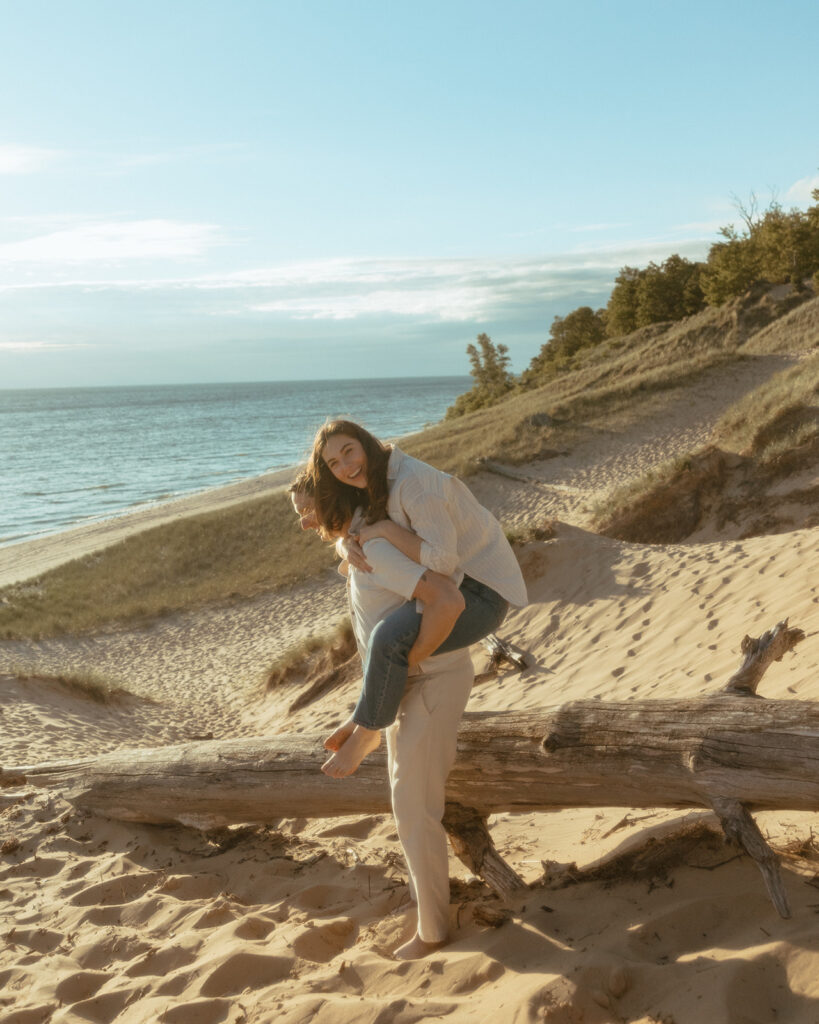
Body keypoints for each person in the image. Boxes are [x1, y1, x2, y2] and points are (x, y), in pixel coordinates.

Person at [290, 477, 474, 959]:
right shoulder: (359, 543)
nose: (302, 520)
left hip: (430, 685)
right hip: (405, 688)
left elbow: (443, 596)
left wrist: (416, 664)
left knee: (415, 809)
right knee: (405, 802)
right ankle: (425, 905)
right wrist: (344, 546)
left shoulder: (376, 549)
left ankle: (434, 931)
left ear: (332, 501)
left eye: (307, 508)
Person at [305, 420, 527, 775]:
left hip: (482, 591)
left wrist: (385, 530)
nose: (346, 467)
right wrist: (344, 543)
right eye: (334, 463)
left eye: (349, 451)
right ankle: (366, 715)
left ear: (366, 443)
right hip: (453, 583)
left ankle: (367, 731)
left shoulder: (414, 483)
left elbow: (442, 560)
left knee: (390, 639)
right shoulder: (376, 479)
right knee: (384, 638)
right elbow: (354, 529)